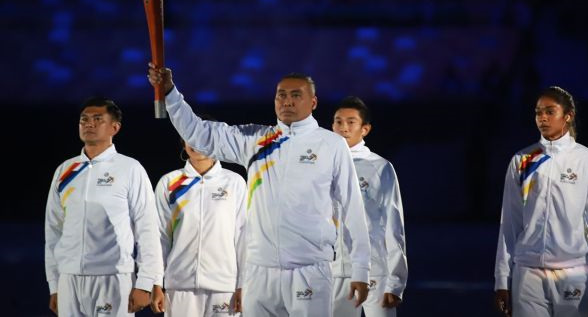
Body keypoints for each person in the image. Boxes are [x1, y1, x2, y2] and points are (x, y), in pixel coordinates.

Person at [147, 64, 371, 317]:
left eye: (296, 95)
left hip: (309, 270)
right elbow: (200, 134)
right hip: (259, 272)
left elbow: (352, 208)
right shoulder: (256, 141)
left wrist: (361, 269)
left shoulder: (331, 145)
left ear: (313, 102)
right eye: (281, 95)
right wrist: (170, 93)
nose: (287, 101)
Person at [494, 86, 588, 317]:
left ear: (568, 116)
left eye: (550, 111)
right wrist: (501, 280)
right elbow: (509, 223)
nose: (542, 118)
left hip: (574, 272)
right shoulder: (523, 160)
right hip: (528, 273)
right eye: (538, 112)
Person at [44, 96, 163, 316]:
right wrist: (54, 284)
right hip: (69, 280)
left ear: (115, 127)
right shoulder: (64, 171)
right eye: (84, 119)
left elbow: (147, 228)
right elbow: (53, 231)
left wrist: (146, 281)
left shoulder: (130, 168)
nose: (89, 124)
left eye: (97, 119)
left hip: (114, 278)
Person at [150, 130, 248, 316]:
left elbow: (244, 237)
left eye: (204, 138)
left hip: (224, 286)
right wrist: (155, 282)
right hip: (179, 286)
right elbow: (159, 236)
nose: (197, 143)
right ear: (183, 143)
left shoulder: (234, 182)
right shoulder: (169, 182)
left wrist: (244, 284)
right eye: (191, 137)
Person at [331, 96, 408, 317]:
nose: (343, 127)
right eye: (338, 121)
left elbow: (394, 225)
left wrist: (396, 281)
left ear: (365, 129)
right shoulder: (321, 166)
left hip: (374, 271)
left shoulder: (380, 167)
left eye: (351, 122)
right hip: (333, 272)